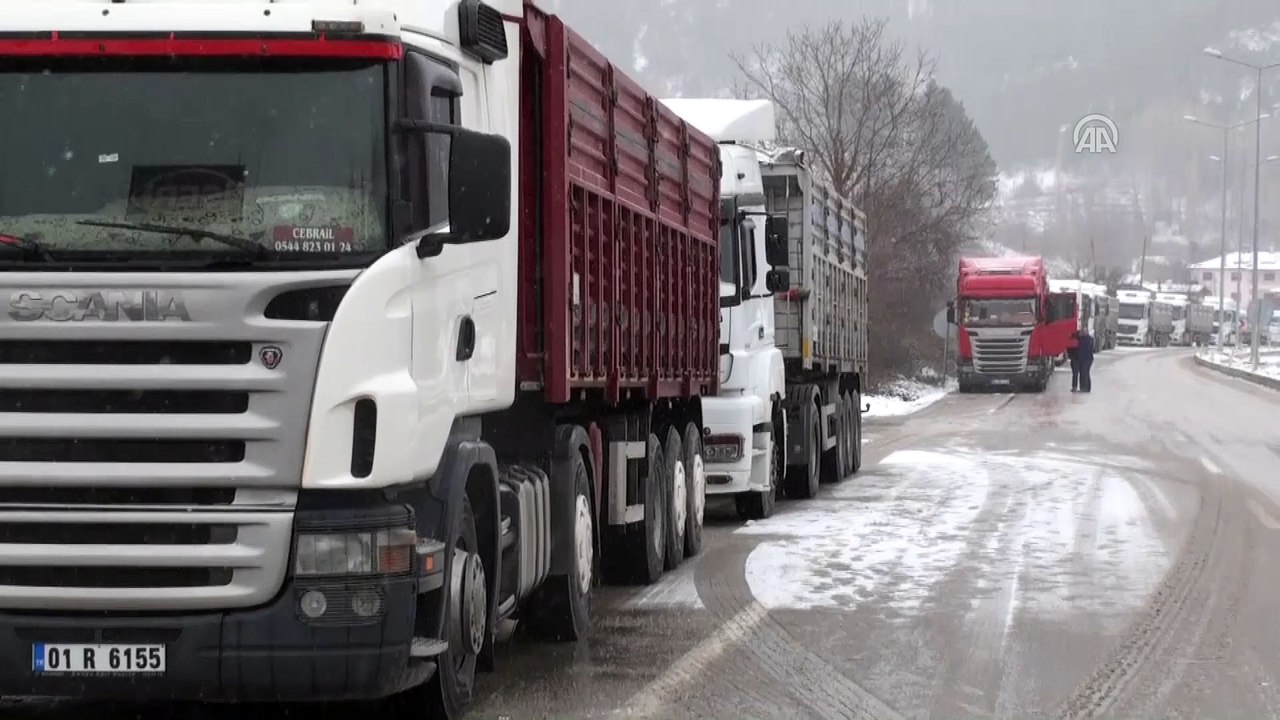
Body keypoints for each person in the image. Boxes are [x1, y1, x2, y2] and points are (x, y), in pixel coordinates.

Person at [1076, 327, 1095, 393]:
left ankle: (1086, 387)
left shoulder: (1089, 339)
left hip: (1088, 359)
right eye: (1083, 331)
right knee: (1082, 372)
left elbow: (1089, 349)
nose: (1084, 332)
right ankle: (1083, 387)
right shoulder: (1081, 339)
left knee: (1085, 372)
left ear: (1087, 332)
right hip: (1081, 359)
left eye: (1085, 331)